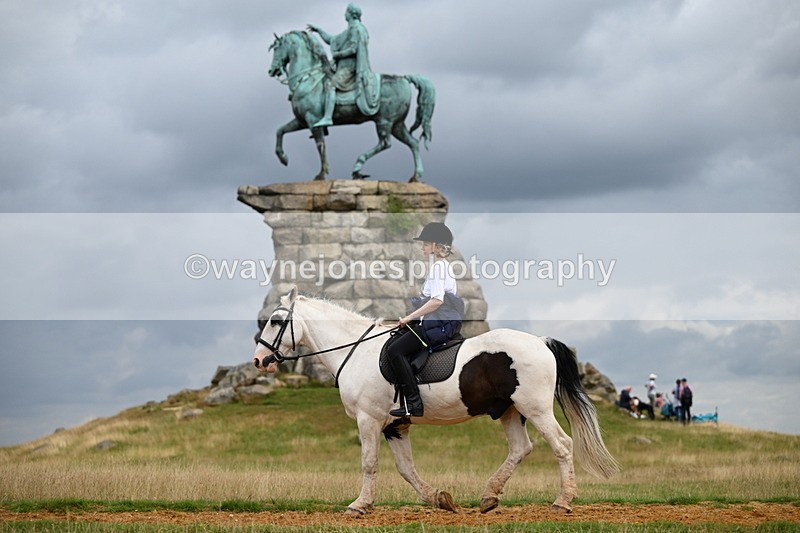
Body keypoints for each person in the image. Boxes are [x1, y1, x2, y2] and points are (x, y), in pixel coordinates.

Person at [387, 222, 463, 417]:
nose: (422, 248)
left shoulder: (439, 268)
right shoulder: (443, 266)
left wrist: (409, 318)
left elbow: (437, 301)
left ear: (437, 246)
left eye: (426, 244)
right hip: (440, 320)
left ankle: (414, 403)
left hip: (438, 323)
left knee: (395, 350)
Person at [307, 3, 380, 127]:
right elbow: (332, 40)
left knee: (330, 85)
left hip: (349, 68)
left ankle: (328, 117)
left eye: (346, 12)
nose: (344, 14)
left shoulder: (356, 29)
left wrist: (337, 55)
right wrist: (319, 31)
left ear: (351, 14)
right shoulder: (350, 29)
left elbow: (353, 49)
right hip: (343, 67)